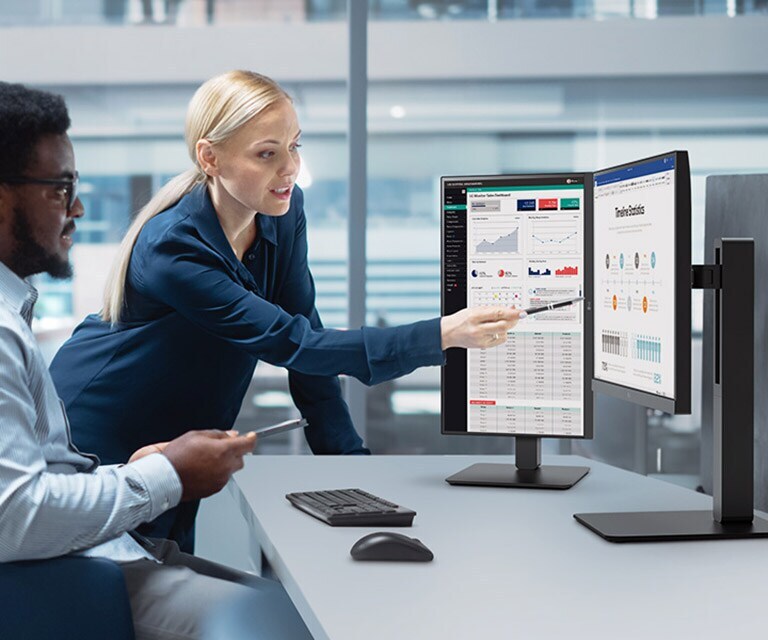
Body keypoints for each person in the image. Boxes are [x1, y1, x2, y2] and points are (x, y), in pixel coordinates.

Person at [49, 70, 521, 552]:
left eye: (295, 146)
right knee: (123, 600)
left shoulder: (282, 215)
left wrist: (354, 475)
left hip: (175, 446)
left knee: (162, 586)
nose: (290, 168)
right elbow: (292, 343)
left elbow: (307, 354)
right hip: (98, 434)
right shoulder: (174, 246)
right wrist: (439, 334)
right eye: (267, 153)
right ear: (210, 157)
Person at [0, 82, 313, 640]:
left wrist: (135, 473)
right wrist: (164, 474)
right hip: (52, 579)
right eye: (59, 188)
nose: (78, 207)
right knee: (292, 625)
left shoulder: (13, 310)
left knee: (297, 607)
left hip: (86, 552)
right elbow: (15, 517)